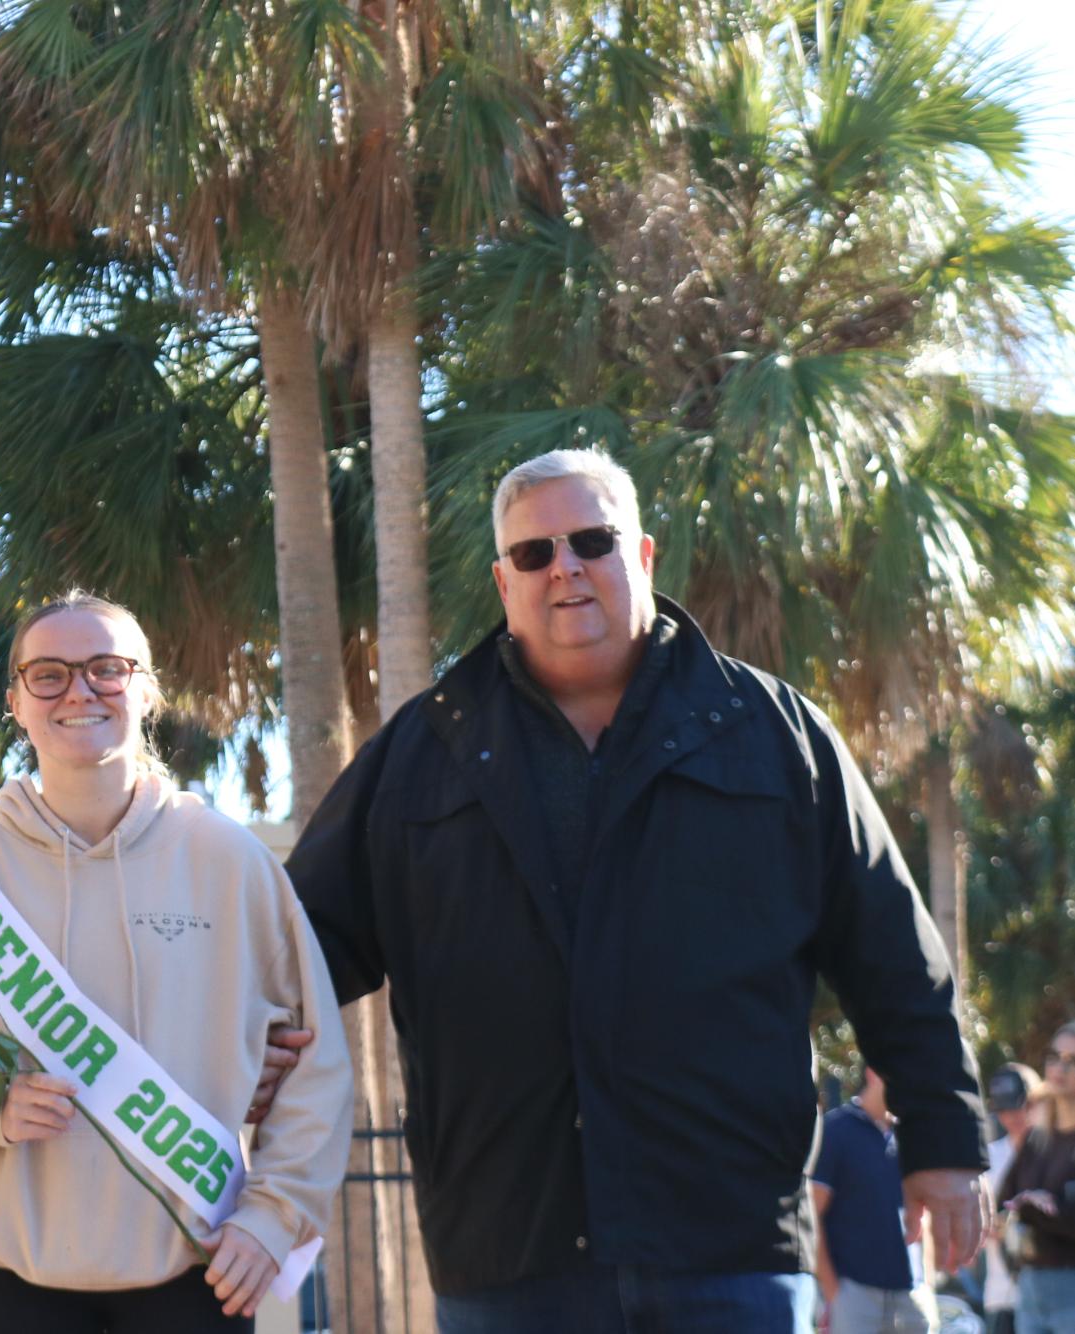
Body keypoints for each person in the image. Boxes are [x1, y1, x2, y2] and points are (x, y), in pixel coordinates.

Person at [281, 448, 988, 1332]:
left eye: (591, 540)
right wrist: (239, 1041)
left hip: (726, 1244)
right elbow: (293, 944)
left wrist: (943, 1141)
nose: (564, 567)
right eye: (534, 554)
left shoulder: (773, 735)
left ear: (643, 557)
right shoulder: (422, 752)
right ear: (505, 583)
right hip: (504, 1250)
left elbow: (893, 955)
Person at [0, 592, 354, 1333]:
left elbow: (316, 1064)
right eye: (48, 674)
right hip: (3, 1280)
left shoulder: (231, 863)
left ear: (146, 689)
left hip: (194, 1274)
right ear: (16, 701)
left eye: (106, 669)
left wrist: (272, 1216)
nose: (79, 690)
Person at [812, 1067, 938, 1332]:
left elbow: (923, 1212)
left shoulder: (911, 1134)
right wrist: (834, 1292)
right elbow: (812, 1214)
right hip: (855, 1295)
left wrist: (927, 1282)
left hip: (912, 1295)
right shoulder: (836, 1129)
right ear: (872, 1073)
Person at [998, 1025, 1075, 1334]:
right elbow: (1005, 1197)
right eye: (1054, 1057)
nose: (1059, 1068)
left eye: (1072, 1060)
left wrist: (1047, 1206)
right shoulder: (1037, 1135)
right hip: (1030, 1287)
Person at [985, 1064, 1044, 1334]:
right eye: (1004, 1108)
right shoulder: (987, 1159)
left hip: (1055, 1295)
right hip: (1003, 1297)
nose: (1012, 1115)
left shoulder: (1060, 1155)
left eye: (1020, 1105)